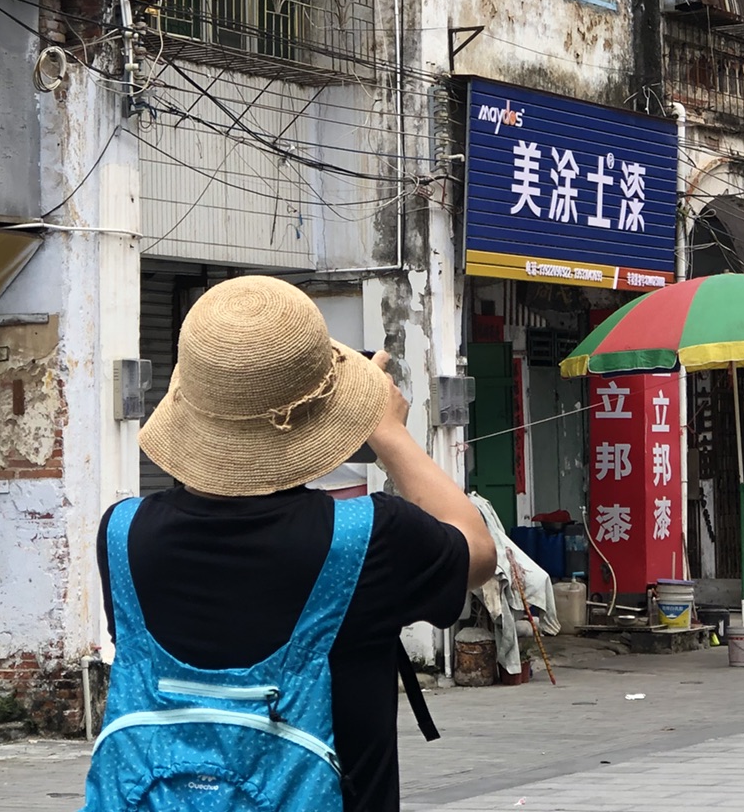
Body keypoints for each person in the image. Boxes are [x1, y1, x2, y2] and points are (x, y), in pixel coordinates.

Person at [85, 275, 499, 811]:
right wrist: (388, 430)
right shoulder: (370, 538)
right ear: (325, 415)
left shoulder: (122, 534)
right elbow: (478, 550)